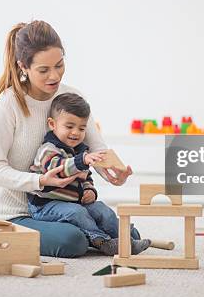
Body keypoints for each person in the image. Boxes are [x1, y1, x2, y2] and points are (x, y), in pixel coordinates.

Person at [0, 20, 137, 258]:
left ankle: (97, 238)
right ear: (23, 66)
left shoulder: (71, 96)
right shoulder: (8, 105)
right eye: (43, 70)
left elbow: (97, 150)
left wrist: (113, 173)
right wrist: (40, 181)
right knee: (72, 241)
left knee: (131, 237)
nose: (54, 76)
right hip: (15, 213)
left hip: (67, 205)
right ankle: (92, 239)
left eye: (59, 65)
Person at [27, 92, 151, 256]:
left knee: (102, 209)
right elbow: (58, 167)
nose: (76, 133)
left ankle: (125, 239)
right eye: (69, 126)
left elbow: (86, 177)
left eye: (81, 128)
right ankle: (102, 241)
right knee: (77, 213)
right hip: (45, 205)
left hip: (75, 202)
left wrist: (89, 190)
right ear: (52, 124)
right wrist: (82, 160)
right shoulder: (48, 149)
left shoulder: (80, 151)